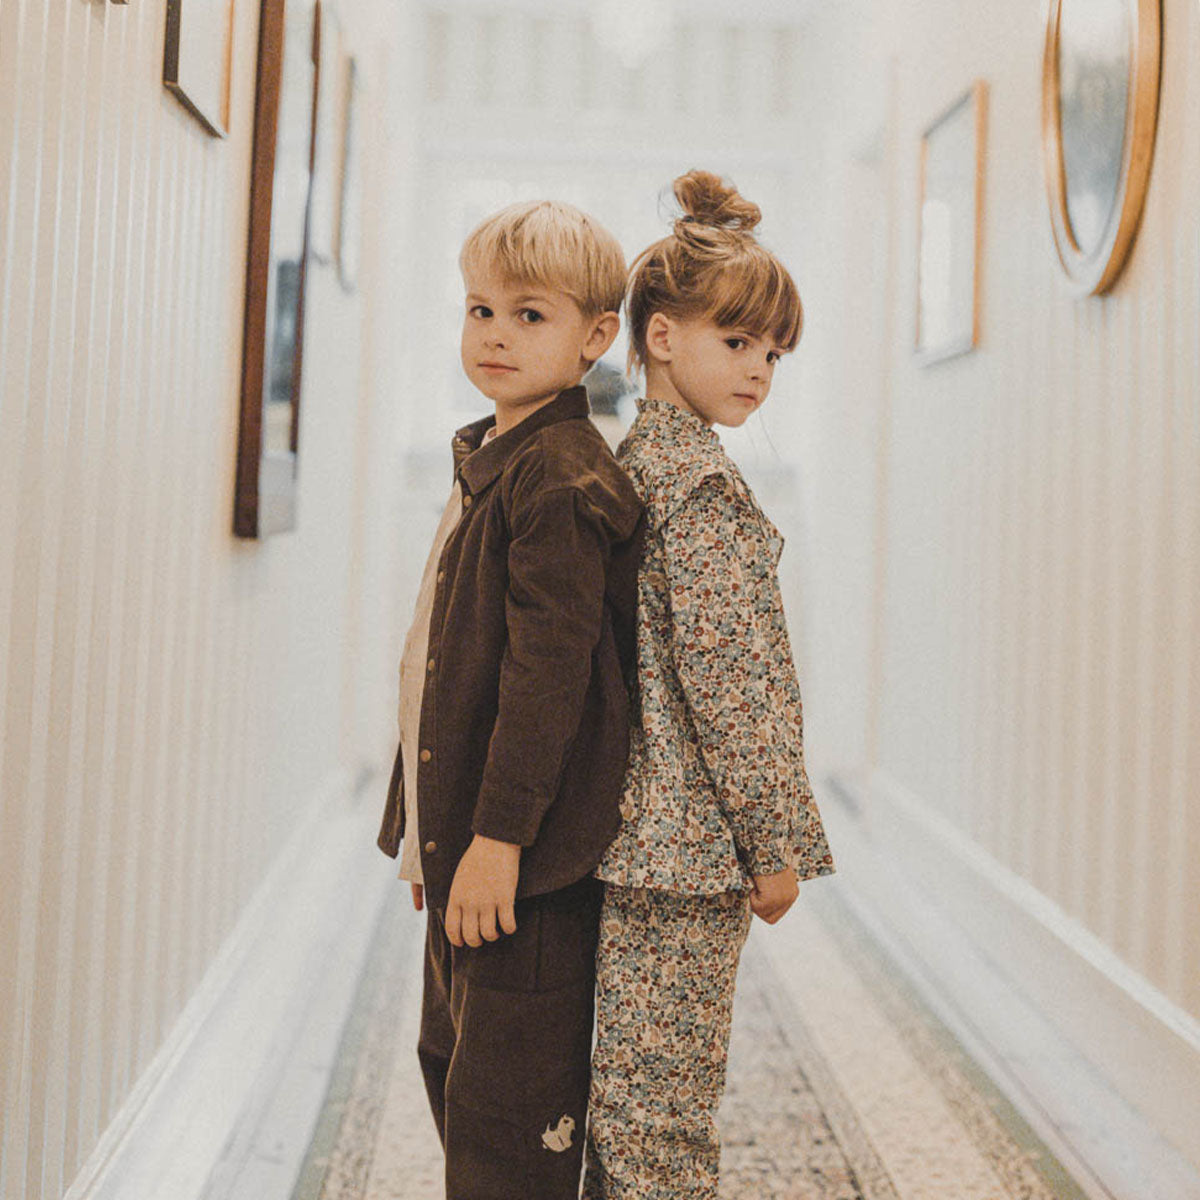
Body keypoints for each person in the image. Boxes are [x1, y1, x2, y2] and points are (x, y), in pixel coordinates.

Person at [376, 199, 645, 1200]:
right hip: (469, 849)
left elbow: (548, 683)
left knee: (508, 1124)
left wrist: (494, 840)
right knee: (453, 1069)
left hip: (527, 866)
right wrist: (424, 834)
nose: (494, 334)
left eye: (529, 315)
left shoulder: (561, 480)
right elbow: (438, 663)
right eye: (480, 309)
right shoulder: (496, 457)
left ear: (594, 337)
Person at [582, 170, 835, 1199]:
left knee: (627, 1093)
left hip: (629, 834)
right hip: (684, 854)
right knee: (664, 1117)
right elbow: (734, 690)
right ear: (661, 336)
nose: (761, 370)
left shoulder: (633, 462)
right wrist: (773, 843)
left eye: (773, 352)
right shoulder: (701, 493)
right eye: (739, 343)